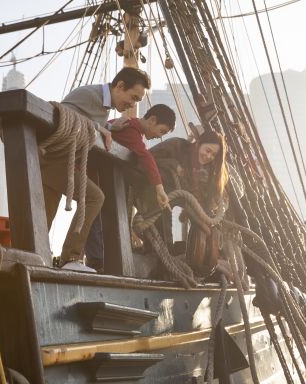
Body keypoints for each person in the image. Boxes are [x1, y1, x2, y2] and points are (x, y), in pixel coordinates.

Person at [40, 67, 151, 271]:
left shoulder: (103, 104)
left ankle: (36, 257)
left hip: (59, 162)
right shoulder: (91, 95)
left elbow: (89, 123)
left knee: (46, 214)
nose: (132, 104)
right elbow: (65, 116)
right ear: (120, 86)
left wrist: (108, 128)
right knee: (95, 197)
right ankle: (69, 258)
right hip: (53, 160)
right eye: (133, 97)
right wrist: (99, 128)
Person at [84, 104, 177, 270]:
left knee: (98, 217)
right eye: (161, 131)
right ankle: (97, 261)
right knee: (95, 218)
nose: (159, 136)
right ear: (152, 120)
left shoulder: (128, 127)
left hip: (99, 180)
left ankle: (98, 260)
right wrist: (159, 188)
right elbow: (145, 156)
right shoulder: (129, 129)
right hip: (93, 177)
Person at [134, 130, 229, 276]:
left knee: (205, 220)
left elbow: (208, 202)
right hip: (154, 196)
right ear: (198, 144)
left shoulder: (210, 171)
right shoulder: (177, 146)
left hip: (178, 202)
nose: (208, 156)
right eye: (207, 150)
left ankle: (204, 262)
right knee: (164, 214)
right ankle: (164, 260)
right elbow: (147, 158)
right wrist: (173, 164)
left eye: (213, 155)